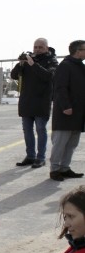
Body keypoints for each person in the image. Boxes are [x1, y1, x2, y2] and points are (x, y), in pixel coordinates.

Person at [10, 38, 57, 168]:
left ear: (47, 48)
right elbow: (14, 76)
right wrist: (20, 63)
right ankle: (30, 156)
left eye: (40, 47)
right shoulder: (28, 59)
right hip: (26, 101)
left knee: (41, 130)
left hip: (42, 101)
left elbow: (48, 76)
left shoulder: (51, 60)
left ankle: (40, 157)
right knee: (27, 130)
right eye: (35, 47)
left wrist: (33, 64)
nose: (37, 49)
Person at [49, 40, 85, 181]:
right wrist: (66, 106)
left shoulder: (80, 66)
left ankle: (65, 168)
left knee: (72, 143)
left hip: (78, 112)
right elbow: (60, 88)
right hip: (66, 112)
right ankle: (55, 169)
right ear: (77, 51)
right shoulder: (65, 66)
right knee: (60, 142)